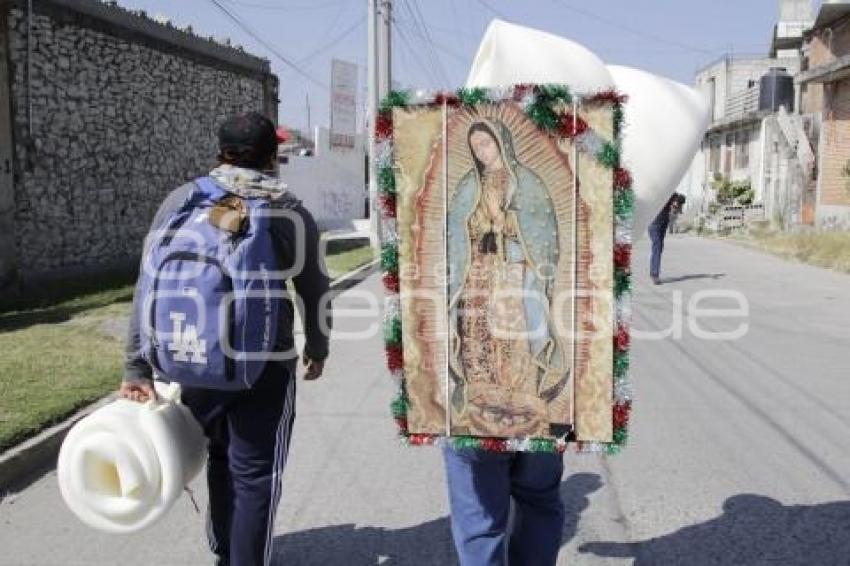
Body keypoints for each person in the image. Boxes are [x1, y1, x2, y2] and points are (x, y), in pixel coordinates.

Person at [119, 111, 331, 566]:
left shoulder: (182, 199)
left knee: (218, 456)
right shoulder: (285, 209)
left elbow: (148, 282)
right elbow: (314, 288)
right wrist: (317, 347)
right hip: (265, 366)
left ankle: (222, 550)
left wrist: (137, 366)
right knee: (256, 475)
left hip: (193, 357)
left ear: (221, 151)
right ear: (273, 157)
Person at [442, 119, 568, 565]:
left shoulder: (526, 183)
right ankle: (482, 395)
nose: (480, 149)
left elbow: (544, 235)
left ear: (501, 141)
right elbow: (454, 235)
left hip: (515, 275)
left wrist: (512, 228)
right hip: (478, 277)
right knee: (476, 342)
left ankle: (519, 397)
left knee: (514, 341)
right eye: (474, 143)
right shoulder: (466, 188)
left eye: (485, 141)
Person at [648, 193, 685, 285]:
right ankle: (654, 274)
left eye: (677, 205)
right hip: (654, 223)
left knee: (659, 247)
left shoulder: (675, 196)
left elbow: (678, 208)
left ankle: (654, 271)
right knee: (657, 245)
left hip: (663, 222)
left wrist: (676, 207)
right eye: (676, 204)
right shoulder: (664, 193)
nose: (675, 207)